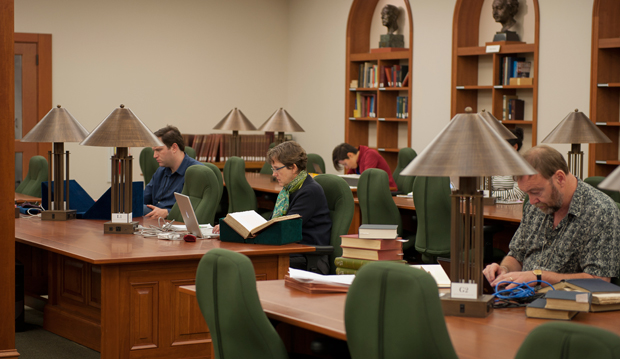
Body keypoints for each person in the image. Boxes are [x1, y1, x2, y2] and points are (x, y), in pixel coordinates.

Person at [483, 145, 620, 288]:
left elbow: (599, 281)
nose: (531, 201)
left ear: (559, 178)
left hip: (566, 305)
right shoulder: (536, 204)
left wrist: (538, 277)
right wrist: (504, 270)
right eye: (527, 193)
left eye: (536, 192)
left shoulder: (600, 211)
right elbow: (517, 255)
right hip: (520, 299)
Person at [143, 125, 203, 219]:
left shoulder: (196, 172)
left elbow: (196, 210)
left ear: (174, 148)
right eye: (154, 151)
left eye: (158, 150)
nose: (154, 156)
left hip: (177, 223)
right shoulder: (160, 171)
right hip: (155, 223)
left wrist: (167, 212)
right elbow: (144, 199)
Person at [332, 143, 397, 188]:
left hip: (387, 191)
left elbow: (366, 179)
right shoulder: (355, 164)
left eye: (345, 164)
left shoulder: (370, 155)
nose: (346, 167)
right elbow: (348, 180)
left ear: (350, 155)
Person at [492, 127, 526, 202]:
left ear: (515, 147)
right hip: (493, 206)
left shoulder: (522, 166)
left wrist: (492, 195)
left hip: (514, 209)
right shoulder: (494, 165)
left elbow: (517, 194)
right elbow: (484, 191)